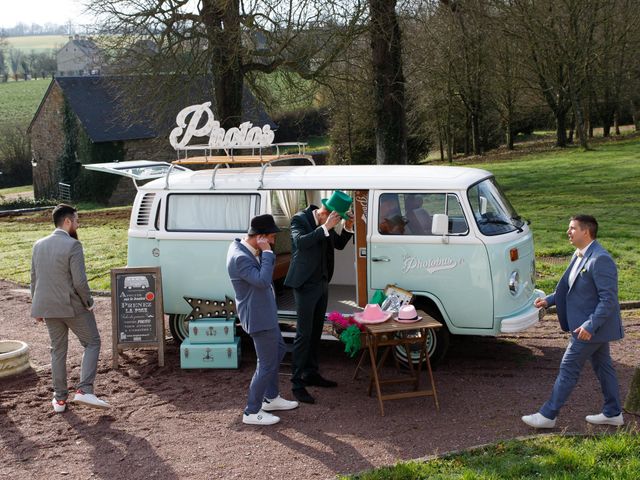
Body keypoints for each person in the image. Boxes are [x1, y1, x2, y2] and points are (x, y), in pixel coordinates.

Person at [522, 214, 624, 428]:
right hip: (589, 327)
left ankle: (548, 415)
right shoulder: (579, 255)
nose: (568, 232)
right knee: (604, 368)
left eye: (572, 228)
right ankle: (613, 413)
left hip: (589, 328)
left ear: (586, 231)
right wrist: (548, 301)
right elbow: (568, 287)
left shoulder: (600, 259)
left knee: (568, 367)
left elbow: (609, 300)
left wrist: (590, 325)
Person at [31, 204, 110, 413]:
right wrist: (89, 302)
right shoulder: (73, 245)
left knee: (57, 351)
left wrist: (36, 308)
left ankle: (59, 399)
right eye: (76, 220)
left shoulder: (38, 245)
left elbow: (34, 279)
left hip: (47, 307)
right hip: (72, 306)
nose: (77, 223)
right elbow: (80, 282)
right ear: (67, 221)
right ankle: (84, 390)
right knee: (92, 342)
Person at [227, 214, 299, 425]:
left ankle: (271, 397)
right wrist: (267, 253)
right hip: (259, 317)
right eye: (271, 237)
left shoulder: (243, 248)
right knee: (266, 364)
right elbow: (262, 280)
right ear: (260, 237)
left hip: (265, 313)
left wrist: (264, 251)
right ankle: (251, 411)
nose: (274, 241)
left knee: (279, 350)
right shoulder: (240, 257)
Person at [284, 190, 354, 404]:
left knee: (316, 332)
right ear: (325, 213)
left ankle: (311, 373)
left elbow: (338, 244)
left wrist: (348, 228)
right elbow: (301, 243)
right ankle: (297, 384)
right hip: (304, 284)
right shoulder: (300, 219)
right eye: (336, 218)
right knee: (303, 335)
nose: (337, 222)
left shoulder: (328, 223)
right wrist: (325, 228)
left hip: (322, 283)